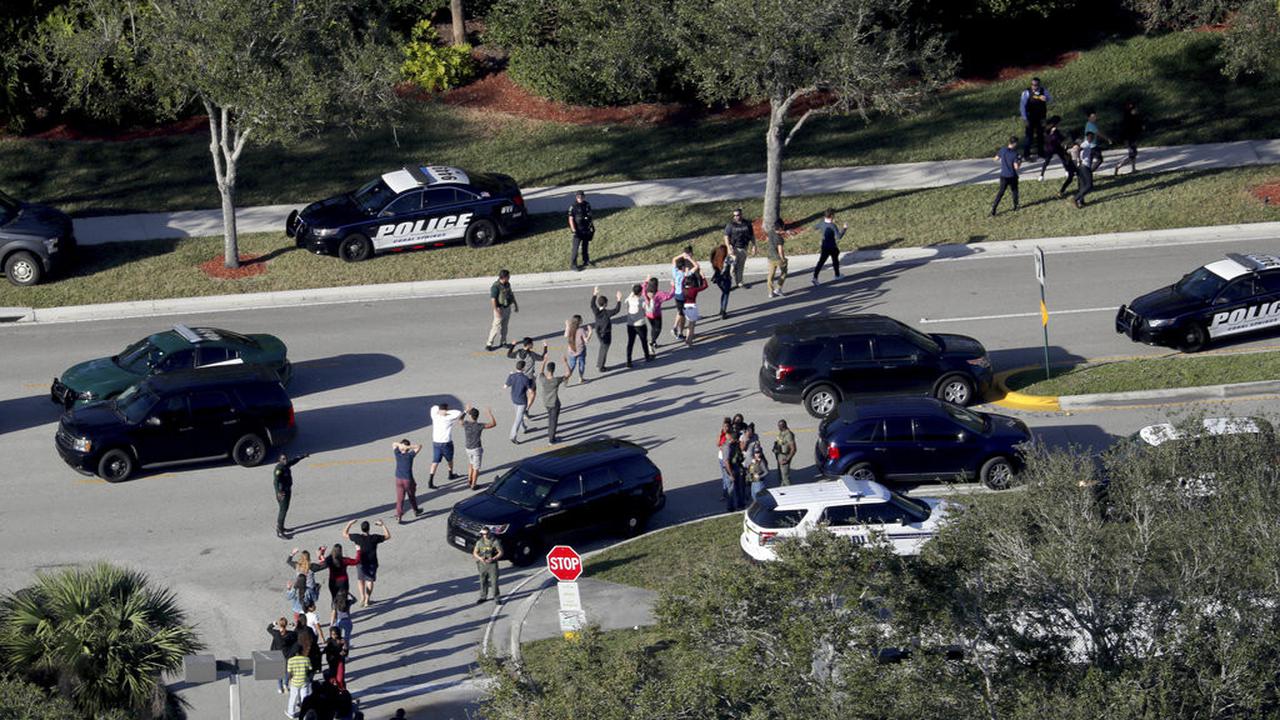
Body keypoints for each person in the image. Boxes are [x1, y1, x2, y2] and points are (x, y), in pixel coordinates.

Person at [343, 519, 389, 607]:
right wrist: (382, 525)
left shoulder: (357, 537)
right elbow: (387, 536)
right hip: (372, 562)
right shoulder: (374, 538)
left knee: (361, 580)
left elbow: (344, 534)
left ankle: (362, 597)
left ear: (361, 529)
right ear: (369, 529)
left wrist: (349, 523)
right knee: (370, 580)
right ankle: (367, 599)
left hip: (360, 562)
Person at [273, 453, 309, 540]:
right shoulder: (279, 469)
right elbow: (276, 482)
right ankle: (279, 530)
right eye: (283, 459)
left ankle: (282, 527)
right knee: (283, 510)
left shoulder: (285, 465)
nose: (285, 460)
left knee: (285, 509)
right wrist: (279, 492)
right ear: (279, 460)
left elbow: (293, 461)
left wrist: (302, 456)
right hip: (283, 493)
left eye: (286, 458)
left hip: (287, 490)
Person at [428, 403, 463, 488]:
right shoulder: (448, 418)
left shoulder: (434, 415)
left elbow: (434, 407)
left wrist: (441, 411)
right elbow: (458, 413)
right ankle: (450, 474)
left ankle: (430, 480)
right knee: (450, 459)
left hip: (436, 442)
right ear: (446, 410)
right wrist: (447, 412)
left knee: (435, 461)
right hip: (446, 443)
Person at [539, 356, 572, 444]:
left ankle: (550, 433)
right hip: (554, 403)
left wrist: (544, 361)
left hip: (546, 402)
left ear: (547, 369)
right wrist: (565, 362)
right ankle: (551, 439)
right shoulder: (556, 380)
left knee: (550, 418)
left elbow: (541, 372)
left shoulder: (543, 379)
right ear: (554, 370)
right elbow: (568, 373)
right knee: (553, 421)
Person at [462, 405, 496, 489]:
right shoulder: (479, 426)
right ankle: (473, 484)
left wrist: (465, 411)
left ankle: (469, 479)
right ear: (477, 416)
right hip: (476, 448)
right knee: (476, 468)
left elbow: (459, 420)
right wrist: (489, 414)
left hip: (468, 448)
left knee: (471, 463)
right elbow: (493, 424)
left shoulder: (466, 424)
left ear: (470, 416)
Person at [390, 439, 424, 524]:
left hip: (398, 479)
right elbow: (419, 446)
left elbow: (393, 444)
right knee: (411, 496)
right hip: (408, 480)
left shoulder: (397, 453)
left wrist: (400, 446)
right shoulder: (410, 455)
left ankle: (399, 515)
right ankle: (416, 510)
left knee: (400, 499)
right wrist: (407, 447)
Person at [590, 287, 623, 372]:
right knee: (604, 349)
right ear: (605, 304)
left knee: (602, 348)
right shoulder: (607, 313)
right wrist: (619, 300)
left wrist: (595, 294)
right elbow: (617, 310)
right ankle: (601, 366)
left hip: (599, 333)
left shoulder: (596, 312)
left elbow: (592, 305)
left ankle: (600, 364)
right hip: (606, 334)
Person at [1019, 76, 1051, 161]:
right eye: (1032, 84)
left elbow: (1050, 99)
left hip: (1041, 118)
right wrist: (1025, 118)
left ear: (1039, 85)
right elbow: (1022, 106)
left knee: (1040, 136)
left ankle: (1041, 153)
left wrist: (1045, 98)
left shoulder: (1043, 91)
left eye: (1036, 85)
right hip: (1030, 118)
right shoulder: (1026, 92)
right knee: (1029, 137)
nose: (1034, 86)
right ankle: (1026, 155)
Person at [723, 208, 757, 288]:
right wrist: (728, 247)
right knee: (732, 267)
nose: (736, 217)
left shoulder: (747, 224)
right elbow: (726, 236)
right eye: (734, 215)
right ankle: (727, 283)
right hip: (733, 248)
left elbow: (752, 236)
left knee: (741, 266)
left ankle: (739, 282)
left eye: (737, 215)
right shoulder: (730, 225)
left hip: (743, 248)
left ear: (741, 215)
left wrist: (754, 246)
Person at [485, 269, 518, 351]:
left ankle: (503, 342)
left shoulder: (507, 284)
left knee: (505, 327)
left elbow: (511, 294)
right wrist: (496, 310)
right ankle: (489, 344)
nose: (509, 277)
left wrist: (515, 304)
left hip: (507, 308)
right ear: (504, 277)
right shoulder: (495, 287)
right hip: (499, 309)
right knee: (495, 327)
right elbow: (493, 300)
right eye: (508, 276)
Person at [641, 276, 675, 355]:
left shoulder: (645, 291)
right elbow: (670, 296)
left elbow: (642, 287)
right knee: (658, 329)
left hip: (648, 313)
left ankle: (654, 341)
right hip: (656, 314)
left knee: (653, 327)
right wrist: (673, 286)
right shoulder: (659, 294)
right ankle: (652, 342)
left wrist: (645, 281)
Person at [812, 208, 846, 284]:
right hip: (832, 246)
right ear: (831, 216)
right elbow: (838, 237)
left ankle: (815, 277)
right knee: (835, 260)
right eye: (834, 215)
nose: (834, 216)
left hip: (824, 246)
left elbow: (815, 227)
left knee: (821, 262)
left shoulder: (822, 222)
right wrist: (844, 228)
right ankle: (837, 275)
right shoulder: (832, 226)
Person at [503, 361, 535, 444]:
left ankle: (523, 428)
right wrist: (533, 380)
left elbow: (505, 386)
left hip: (514, 398)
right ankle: (513, 436)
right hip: (522, 400)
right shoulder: (525, 378)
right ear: (523, 368)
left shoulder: (512, 376)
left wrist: (509, 375)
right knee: (518, 418)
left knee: (519, 414)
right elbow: (531, 391)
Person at [286, 631, 314, 718]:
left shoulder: (290, 661)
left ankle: (291, 713)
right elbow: (310, 669)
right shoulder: (306, 659)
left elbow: (289, 673)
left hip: (295, 682)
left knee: (293, 698)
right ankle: (305, 713)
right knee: (304, 698)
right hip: (304, 681)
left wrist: (289, 680)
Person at [991, 135, 1021, 216]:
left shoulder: (1003, 150)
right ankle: (1016, 206)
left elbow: (996, 159)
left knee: (1000, 193)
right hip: (1012, 176)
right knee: (1014, 191)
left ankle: (994, 208)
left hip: (1003, 176)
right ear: (1014, 144)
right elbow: (1016, 167)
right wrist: (1019, 161)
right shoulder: (1015, 154)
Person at [623, 283, 652, 367]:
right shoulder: (642, 301)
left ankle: (629, 361)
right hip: (640, 324)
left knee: (630, 342)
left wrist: (633, 291)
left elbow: (628, 299)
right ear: (640, 292)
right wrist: (649, 301)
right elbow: (648, 310)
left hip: (630, 324)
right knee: (643, 341)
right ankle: (647, 356)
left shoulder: (629, 299)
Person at [473, 526, 504, 603]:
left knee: (494, 582)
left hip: (492, 565)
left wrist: (493, 559)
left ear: (489, 533)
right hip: (482, 564)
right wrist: (480, 558)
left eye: (486, 534)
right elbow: (475, 552)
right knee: (483, 581)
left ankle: (496, 598)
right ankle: (483, 597)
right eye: (483, 534)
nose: (485, 535)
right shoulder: (479, 542)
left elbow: (501, 552)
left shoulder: (494, 541)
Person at [680, 269, 709, 346]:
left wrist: (685, 276)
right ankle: (689, 341)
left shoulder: (683, 289)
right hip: (692, 307)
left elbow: (681, 283)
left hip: (685, 307)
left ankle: (687, 339)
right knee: (692, 325)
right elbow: (705, 286)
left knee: (689, 323)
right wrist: (703, 277)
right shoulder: (694, 289)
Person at [268, 617, 296, 694]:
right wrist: (294, 626)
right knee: (287, 670)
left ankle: (280, 687)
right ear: (286, 625)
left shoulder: (276, 634)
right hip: (287, 655)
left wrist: (273, 624)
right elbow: (296, 633)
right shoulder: (290, 634)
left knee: (279, 671)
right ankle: (285, 684)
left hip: (277, 655)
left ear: (279, 625)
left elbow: (268, 629)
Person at [568, 190, 595, 271]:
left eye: (582, 197)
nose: (580, 198)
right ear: (576, 197)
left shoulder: (587, 205)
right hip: (578, 230)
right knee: (575, 249)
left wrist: (591, 227)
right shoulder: (573, 206)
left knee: (585, 246)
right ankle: (573, 264)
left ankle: (586, 261)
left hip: (586, 229)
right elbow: (570, 218)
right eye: (578, 197)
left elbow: (590, 216)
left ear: (584, 197)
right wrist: (573, 230)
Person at [1114, 101, 1143, 176]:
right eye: (1134, 109)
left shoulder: (1134, 118)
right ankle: (1118, 166)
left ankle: (1133, 169)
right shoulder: (1128, 121)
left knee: (1134, 154)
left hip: (1133, 138)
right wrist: (1126, 142)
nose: (1136, 110)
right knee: (1132, 154)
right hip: (1129, 140)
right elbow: (1125, 132)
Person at [564, 315, 592, 382]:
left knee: (571, 365)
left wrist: (567, 326)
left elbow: (565, 335)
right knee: (581, 364)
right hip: (580, 351)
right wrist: (590, 332)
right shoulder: (581, 330)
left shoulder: (570, 329)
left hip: (571, 351)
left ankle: (566, 378)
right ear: (579, 322)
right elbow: (586, 340)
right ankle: (580, 378)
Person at [710, 244, 734, 319]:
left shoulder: (715, 259)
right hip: (726, 279)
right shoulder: (728, 259)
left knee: (723, 293)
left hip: (718, 279)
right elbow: (734, 265)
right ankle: (723, 312)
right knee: (726, 294)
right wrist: (732, 254)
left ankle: (721, 310)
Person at [765, 219, 788, 298]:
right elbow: (780, 250)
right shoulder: (780, 239)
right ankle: (778, 288)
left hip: (770, 257)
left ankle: (770, 292)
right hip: (778, 258)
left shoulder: (770, 232)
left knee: (771, 275)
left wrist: (784, 232)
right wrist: (783, 259)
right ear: (781, 227)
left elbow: (775, 234)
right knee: (784, 272)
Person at [1075, 131, 1097, 209]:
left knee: (1082, 185)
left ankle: (1081, 201)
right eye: (1091, 137)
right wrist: (1078, 160)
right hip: (1084, 167)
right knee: (1089, 185)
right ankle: (1075, 199)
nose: (1092, 139)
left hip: (1081, 167)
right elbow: (1078, 149)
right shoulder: (1086, 144)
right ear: (1087, 137)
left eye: (1093, 137)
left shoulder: (1087, 144)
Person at [1083, 107, 1109, 172]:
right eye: (1092, 117)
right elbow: (1099, 134)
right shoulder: (1091, 125)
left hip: (1088, 146)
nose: (1094, 118)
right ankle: (1089, 172)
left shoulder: (1088, 124)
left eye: (1095, 116)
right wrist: (1107, 139)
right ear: (1088, 118)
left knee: (1089, 161)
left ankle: (1087, 174)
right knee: (1099, 160)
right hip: (1092, 146)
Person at [772, 419, 796, 486]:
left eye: (780, 426)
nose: (778, 427)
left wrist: (787, 459)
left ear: (783, 426)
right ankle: (782, 487)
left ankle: (789, 490)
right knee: (781, 476)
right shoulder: (782, 432)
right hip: (780, 455)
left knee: (785, 477)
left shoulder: (788, 435)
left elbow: (793, 449)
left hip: (784, 456)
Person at [324, 627, 348, 691]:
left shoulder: (342, 640)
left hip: (340, 662)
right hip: (332, 662)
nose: (334, 636)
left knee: (340, 679)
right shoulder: (329, 641)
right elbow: (327, 650)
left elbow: (345, 652)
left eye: (335, 634)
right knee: (332, 679)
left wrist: (344, 647)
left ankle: (344, 692)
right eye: (332, 634)